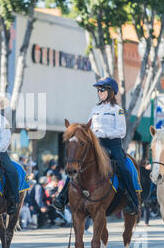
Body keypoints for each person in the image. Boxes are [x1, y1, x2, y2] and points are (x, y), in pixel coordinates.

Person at [54, 77, 140, 215]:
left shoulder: (117, 110)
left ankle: (133, 201)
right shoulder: (95, 109)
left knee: (123, 167)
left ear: (111, 91)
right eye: (98, 90)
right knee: (77, 163)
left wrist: (103, 132)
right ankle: (62, 197)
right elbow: (89, 128)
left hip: (112, 145)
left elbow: (121, 131)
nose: (99, 92)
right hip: (97, 144)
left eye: (102, 90)